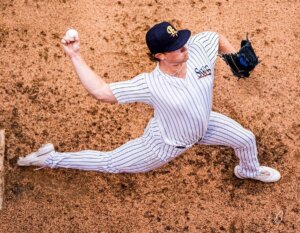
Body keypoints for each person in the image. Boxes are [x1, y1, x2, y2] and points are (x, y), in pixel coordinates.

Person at [18, 21, 280, 182]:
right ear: (160, 56)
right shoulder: (150, 84)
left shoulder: (196, 51)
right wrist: (75, 56)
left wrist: (233, 55)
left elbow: (215, 37)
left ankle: (248, 170)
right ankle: (50, 158)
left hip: (206, 124)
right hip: (165, 143)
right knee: (111, 163)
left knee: (245, 139)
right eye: (178, 48)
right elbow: (101, 91)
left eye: (183, 43)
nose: (186, 49)